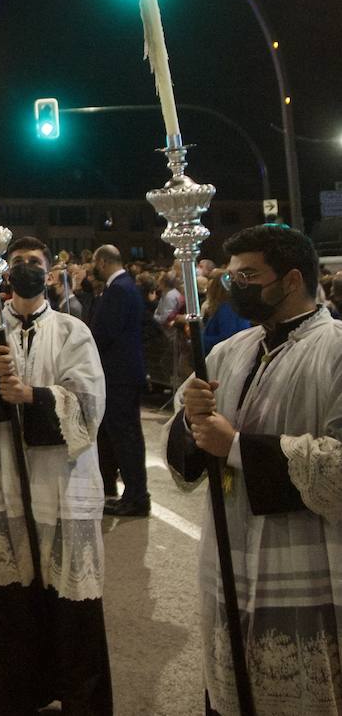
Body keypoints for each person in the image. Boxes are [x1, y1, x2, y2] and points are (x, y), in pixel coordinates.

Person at [166, 225, 342, 715]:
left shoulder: (337, 349)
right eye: (231, 274)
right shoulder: (228, 350)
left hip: (305, 559)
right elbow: (186, 455)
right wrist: (191, 419)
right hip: (230, 550)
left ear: (290, 280)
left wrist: (238, 446)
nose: (235, 285)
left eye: (248, 275)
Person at [0, 236, 112, 715]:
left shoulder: (71, 330)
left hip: (58, 484)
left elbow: (89, 405)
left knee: (69, 603)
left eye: (34, 263)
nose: (25, 269)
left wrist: (34, 398)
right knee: (6, 605)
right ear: (5, 274)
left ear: (50, 273)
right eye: (17, 262)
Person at [87, 244, 150, 518]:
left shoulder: (119, 289)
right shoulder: (125, 286)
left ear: (101, 262)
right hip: (122, 374)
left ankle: (136, 496)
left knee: (126, 438)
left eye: (93, 262)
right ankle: (122, 491)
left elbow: (104, 332)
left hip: (119, 376)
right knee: (118, 435)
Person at [201, 271, 252, 353]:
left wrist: (199, 339)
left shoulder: (228, 308)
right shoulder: (232, 306)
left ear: (215, 289)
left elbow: (227, 338)